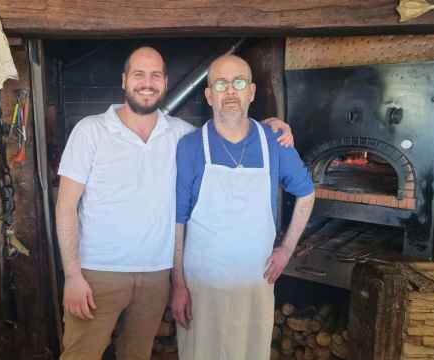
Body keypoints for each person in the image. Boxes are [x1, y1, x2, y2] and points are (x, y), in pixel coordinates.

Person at [55, 46, 293, 360]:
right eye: (139, 74)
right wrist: (72, 275)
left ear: (165, 83)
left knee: (136, 355)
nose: (147, 82)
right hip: (98, 273)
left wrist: (270, 126)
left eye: (155, 75)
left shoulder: (181, 135)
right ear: (124, 80)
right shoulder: (90, 130)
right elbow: (65, 206)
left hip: (156, 276)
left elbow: (228, 130)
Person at [172, 54, 316, 360]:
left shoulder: (274, 141)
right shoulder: (189, 146)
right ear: (209, 95)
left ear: (250, 92)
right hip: (201, 286)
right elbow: (178, 220)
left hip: (256, 283)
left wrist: (287, 250)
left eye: (238, 82)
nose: (230, 91)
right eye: (221, 84)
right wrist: (178, 285)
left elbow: (306, 193)